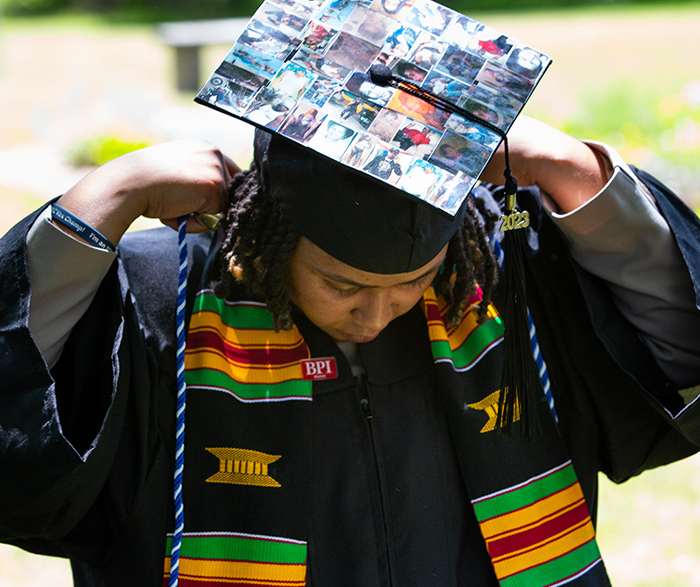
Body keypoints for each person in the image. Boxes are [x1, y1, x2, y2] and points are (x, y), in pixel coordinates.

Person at [1, 114, 700, 587]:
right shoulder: (166, 294)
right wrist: (105, 197)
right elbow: (16, 433)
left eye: (409, 284)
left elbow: (681, 355)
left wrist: (576, 172)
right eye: (342, 284)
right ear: (269, 230)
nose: (374, 315)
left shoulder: (500, 281)